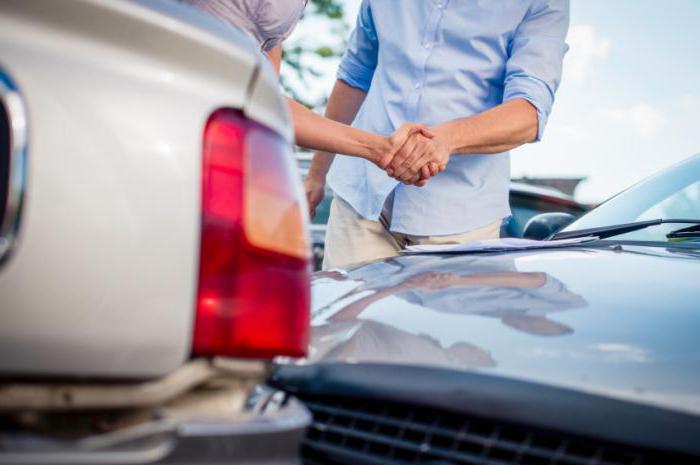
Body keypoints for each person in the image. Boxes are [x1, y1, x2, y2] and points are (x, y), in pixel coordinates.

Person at [305, 1, 570, 269]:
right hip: (360, 202)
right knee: (345, 310)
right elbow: (355, 75)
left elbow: (528, 113)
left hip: (461, 224)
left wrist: (445, 140)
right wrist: (316, 174)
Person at [177, 0, 440, 192]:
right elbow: (232, 87)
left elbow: (264, 85)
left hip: (223, 146)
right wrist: (379, 149)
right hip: (177, 132)